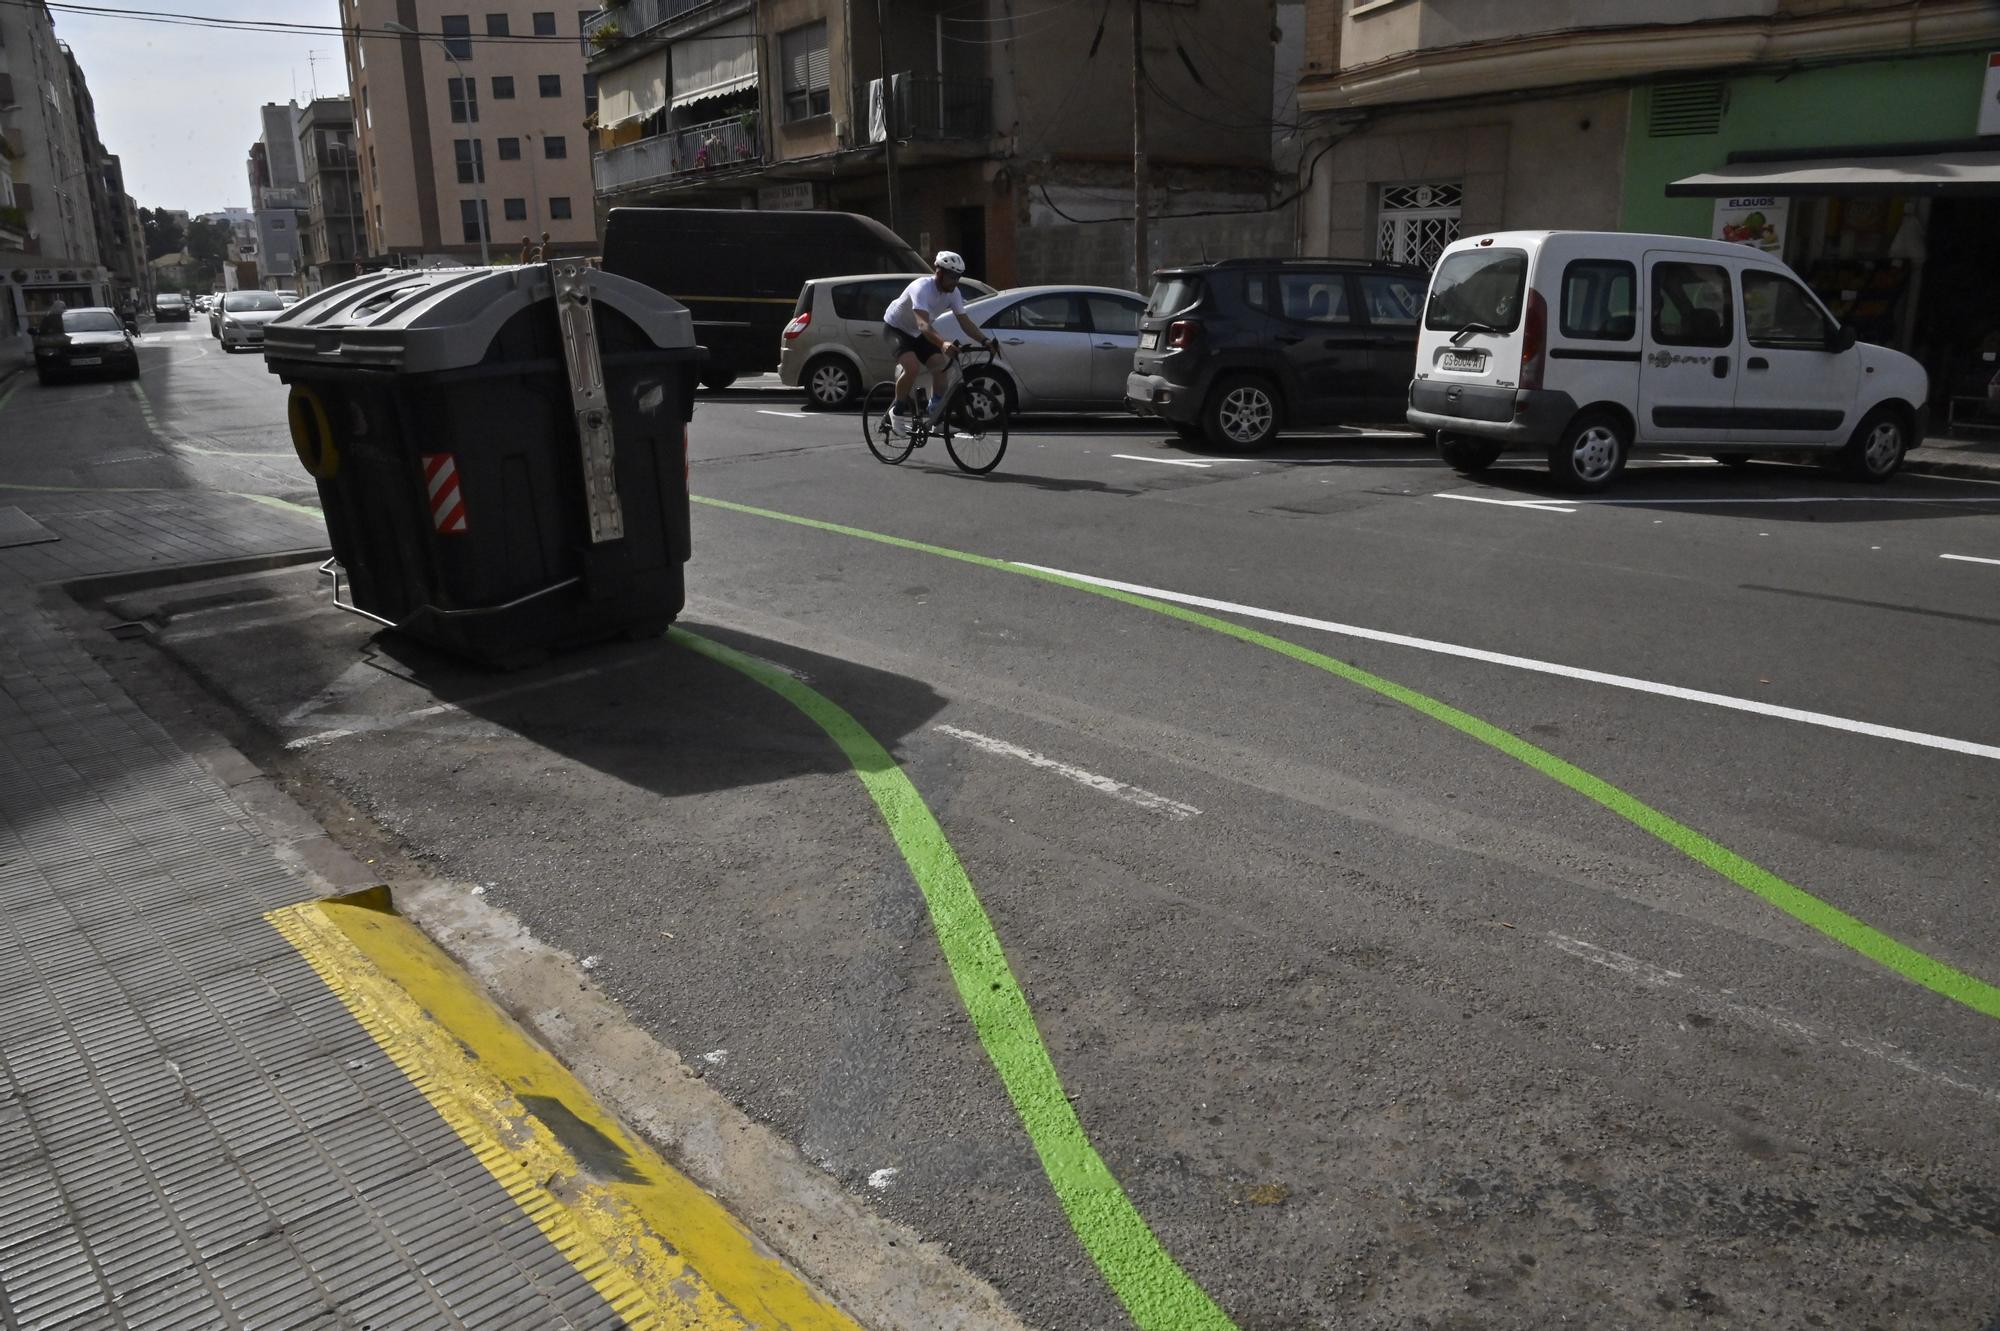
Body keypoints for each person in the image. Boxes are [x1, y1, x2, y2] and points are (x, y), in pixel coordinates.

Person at [879, 251, 998, 440]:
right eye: (952, 276)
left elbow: (965, 322)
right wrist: (942, 343)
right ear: (939, 273)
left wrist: (985, 341)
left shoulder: (954, 293)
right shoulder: (921, 288)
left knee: (941, 365)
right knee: (912, 367)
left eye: (958, 277)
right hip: (896, 328)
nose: (955, 281)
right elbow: (923, 324)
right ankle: (897, 411)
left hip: (918, 333)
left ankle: (936, 416)